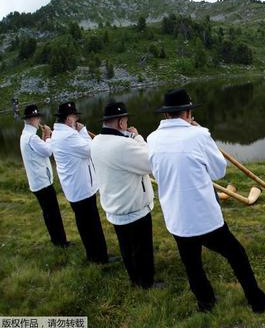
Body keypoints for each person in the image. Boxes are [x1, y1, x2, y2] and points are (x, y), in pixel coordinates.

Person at [147, 88, 265, 313]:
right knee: (237, 255)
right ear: (187, 113)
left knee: (192, 264)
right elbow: (219, 171)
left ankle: (205, 304)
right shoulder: (199, 135)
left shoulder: (152, 138)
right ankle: (257, 301)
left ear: (167, 114)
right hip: (203, 217)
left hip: (176, 217)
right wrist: (201, 133)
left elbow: (157, 171)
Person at [91, 102, 160, 288]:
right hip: (134, 206)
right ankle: (146, 283)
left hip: (114, 205)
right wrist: (137, 137)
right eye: (126, 121)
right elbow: (151, 162)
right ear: (121, 123)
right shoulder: (124, 145)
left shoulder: (96, 142)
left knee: (126, 246)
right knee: (142, 248)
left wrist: (130, 137)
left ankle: (134, 279)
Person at [50, 101, 112, 264]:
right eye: (75, 117)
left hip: (74, 186)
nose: (77, 120)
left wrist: (79, 132)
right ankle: (100, 257)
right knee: (92, 224)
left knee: (84, 223)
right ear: (69, 119)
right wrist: (83, 131)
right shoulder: (68, 135)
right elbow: (91, 150)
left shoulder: (58, 133)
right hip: (82, 186)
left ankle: (93, 255)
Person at [19, 104, 69, 247]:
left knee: (49, 213)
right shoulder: (31, 138)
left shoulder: (26, 136)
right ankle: (61, 242)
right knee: (53, 214)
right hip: (43, 183)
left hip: (38, 182)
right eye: (36, 117)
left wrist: (44, 137)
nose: (38, 120)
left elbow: (39, 150)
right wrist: (48, 136)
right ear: (32, 120)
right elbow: (48, 151)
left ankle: (56, 240)